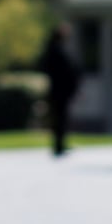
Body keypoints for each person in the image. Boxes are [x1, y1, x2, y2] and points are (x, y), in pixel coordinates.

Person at [39, 23, 81, 156]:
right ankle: (58, 145)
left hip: (60, 90)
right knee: (59, 118)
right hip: (59, 90)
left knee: (61, 118)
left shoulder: (56, 49)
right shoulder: (56, 50)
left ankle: (60, 144)